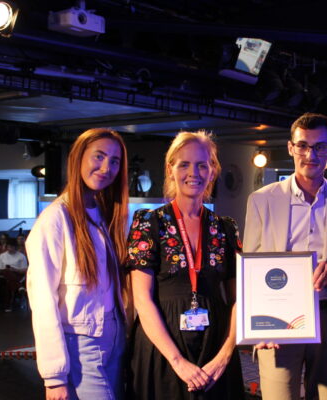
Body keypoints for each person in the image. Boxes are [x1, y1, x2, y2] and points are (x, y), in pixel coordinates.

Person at [244, 113, 327, 400]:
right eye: (302, 146)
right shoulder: (261, 199)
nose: (310, 154)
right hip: (276, 320)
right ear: (291, 148)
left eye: (319, 147)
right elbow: (251, 265)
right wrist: (255, 325)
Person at [126, 130, 243, 399]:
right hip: (163, 348)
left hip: (216, 345)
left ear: (212, 171)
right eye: (184, 164)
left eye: (203, 165)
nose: (195, 172)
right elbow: (141, 299)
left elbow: (239, 299)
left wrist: (224, 356)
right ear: (170, 169)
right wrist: (177, 361)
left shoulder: (226, 228)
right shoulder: (148, 223)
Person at [27, 128, 129, 400]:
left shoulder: (102, 213)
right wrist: (54, 376)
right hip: (82, 344)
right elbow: (42, 299)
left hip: (115, 336)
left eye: (115, 161)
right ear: (78, 158)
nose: (106, 167)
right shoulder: (54, 219)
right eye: (99, 156)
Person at [0, 238, 28, 312]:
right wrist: (6, 270)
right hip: (4, 274)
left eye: (12, 247)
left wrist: (14, 269)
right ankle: (19, 286)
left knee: (9, 281)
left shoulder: (21, 256)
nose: (10, 248)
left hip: (18, 274)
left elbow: (24, 270)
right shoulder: (2, 256)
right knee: (7, 272)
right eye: (8, 247)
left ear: (15, 247)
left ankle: (8, 306)